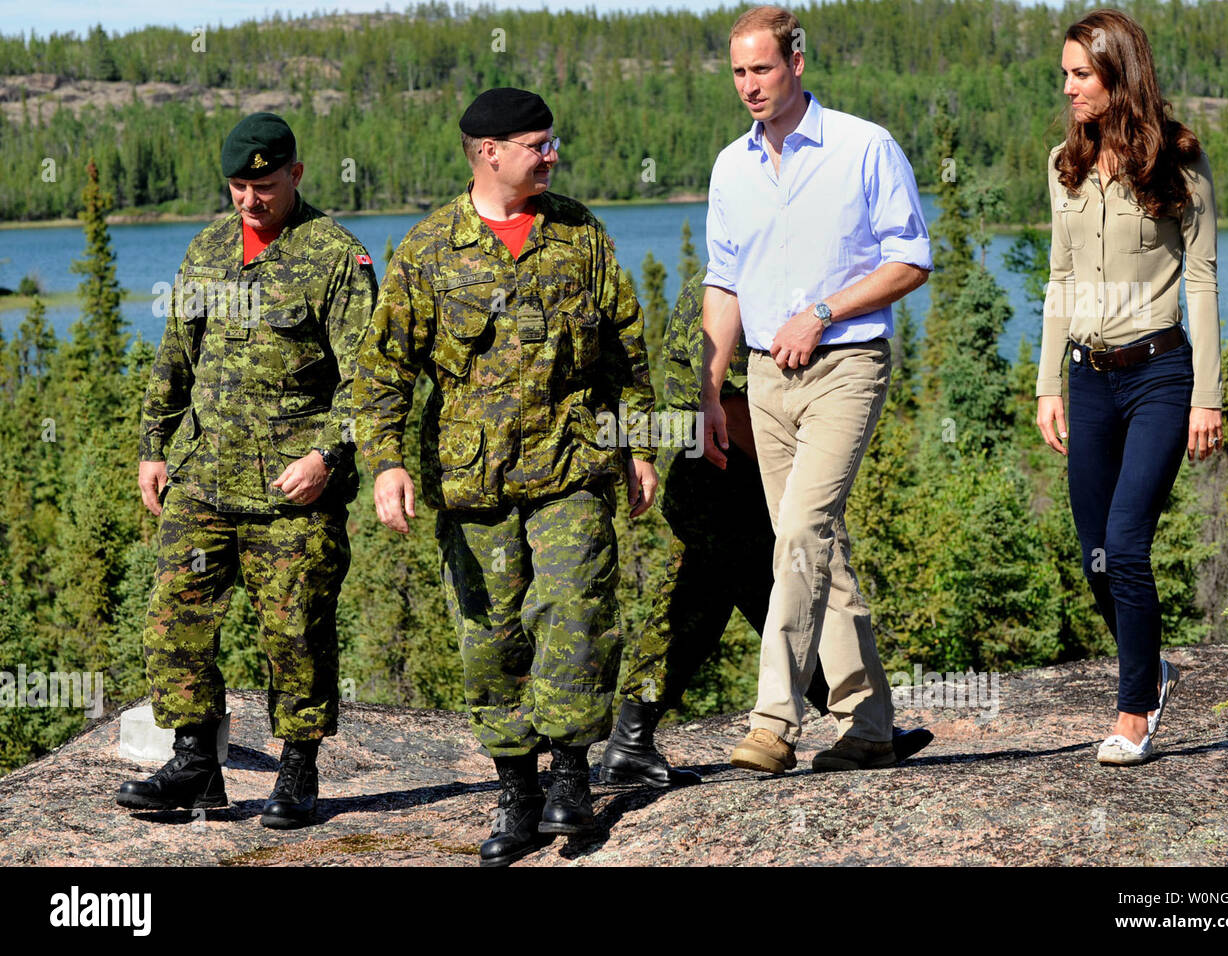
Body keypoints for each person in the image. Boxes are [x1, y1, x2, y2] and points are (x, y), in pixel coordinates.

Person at [352, 88, 659, 866]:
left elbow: (625, 347)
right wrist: (386, 463)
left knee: (575, 614)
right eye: (538, 144)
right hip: (472, 482)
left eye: (553, 142)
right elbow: (384, 370)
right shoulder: (429, 250)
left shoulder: (580, 233)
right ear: (490, 152)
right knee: (489, 642)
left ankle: (570, 780)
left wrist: (640, 445)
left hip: (570, 466)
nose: (552, 155)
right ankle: (515, 789)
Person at [118, 112, 378, 828]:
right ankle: (197, 765)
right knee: (174, 622)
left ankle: (297, 771)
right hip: (202, 478)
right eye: (238, 186)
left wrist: (328, 456)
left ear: (295, 173)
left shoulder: (335, 258)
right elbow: (175, 355)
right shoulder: (206, 252)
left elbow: (367, 380)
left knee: (294, 632)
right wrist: (152, 443)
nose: (249, 201)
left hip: (291, 491)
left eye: (263, 186)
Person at [700, 6, 933, 775]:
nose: (749, 86)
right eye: (738, 72)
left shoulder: (864, 147)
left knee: (799, 534)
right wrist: (710, 387)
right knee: (816, 549)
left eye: (761, 69)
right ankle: (869, 725)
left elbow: (911, 259)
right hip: (764, 378)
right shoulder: (731, 166)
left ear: (797, 63)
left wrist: (824, 310)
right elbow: (724, 280)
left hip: (846, 364)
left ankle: (773, 721)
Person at [601, 271, 931, 787]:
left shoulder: (762, 279)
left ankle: (861, 726)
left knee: (773, 594)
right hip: (717, 475)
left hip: (741, 475)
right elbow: (733, 409)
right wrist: (808, 465)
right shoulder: (727, 290)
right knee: (704, 605)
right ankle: (630, 741)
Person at [1035, 9, 1221, 766]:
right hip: (1087, 379)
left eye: (1082, 74)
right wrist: (1049, 381)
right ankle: (1156, 670)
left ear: (1119, 74)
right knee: (1095, 558)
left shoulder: (1179, 160)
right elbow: (1059, 278)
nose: (1070, 88)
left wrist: (1207, 394)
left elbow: (1204, 282)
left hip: (1159, 375)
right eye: (1067, 75)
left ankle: (1136, 708)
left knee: (1128, 546)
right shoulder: (1063, 164)